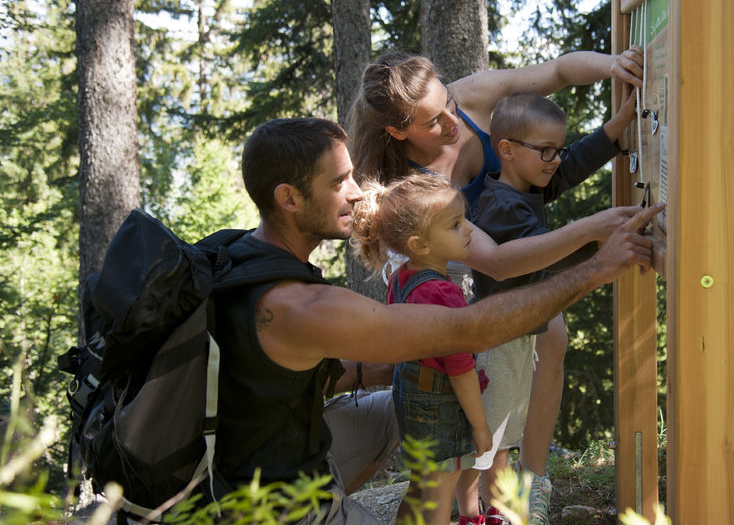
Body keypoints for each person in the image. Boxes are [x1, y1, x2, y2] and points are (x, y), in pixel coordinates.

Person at [213, 116, 661, 524]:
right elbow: (472, 332)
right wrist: (598, 268)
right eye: (339, 181)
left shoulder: (239, 254)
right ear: (288, 198)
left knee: (408, 403)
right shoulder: (297, 305)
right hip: (275, 505)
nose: (355, 191)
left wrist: (387, 367)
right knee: (435, 413)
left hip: (257, 457)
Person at [347, 49, 644, 521]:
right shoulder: (409, 185)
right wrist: (593, 232)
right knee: (482, 382)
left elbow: (560, 71)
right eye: (432, 121)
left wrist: (614, 66)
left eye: (448, 103)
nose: (451, 121)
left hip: (513, 250)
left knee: (552, 339)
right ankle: (491, 498)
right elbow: (495, 264)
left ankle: (529, 482)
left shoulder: (474, 97)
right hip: (455, 272)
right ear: (398, 131)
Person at [452, 92, 633, 524]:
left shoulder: (521, 183)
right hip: (497, 339)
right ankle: (467, 513)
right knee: (481, 441)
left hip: (518, 336)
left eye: (558, 148)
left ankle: (494, 510)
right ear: (508, 151)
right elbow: (538, 256)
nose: (555, 160)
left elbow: (573, 164)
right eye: (546, 150)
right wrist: (596, 242)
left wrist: (619, 123)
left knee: (503, 435)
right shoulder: (504, 207)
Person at [351, 172, 492, 525]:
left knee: (425, 487)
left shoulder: (402, 278)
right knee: (440, 498)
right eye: (456, 225)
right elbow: (459, 368)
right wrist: (479, 425)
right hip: (440, 406)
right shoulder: (444, 294)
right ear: (420, 245)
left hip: (410, 394)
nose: (470, 230)